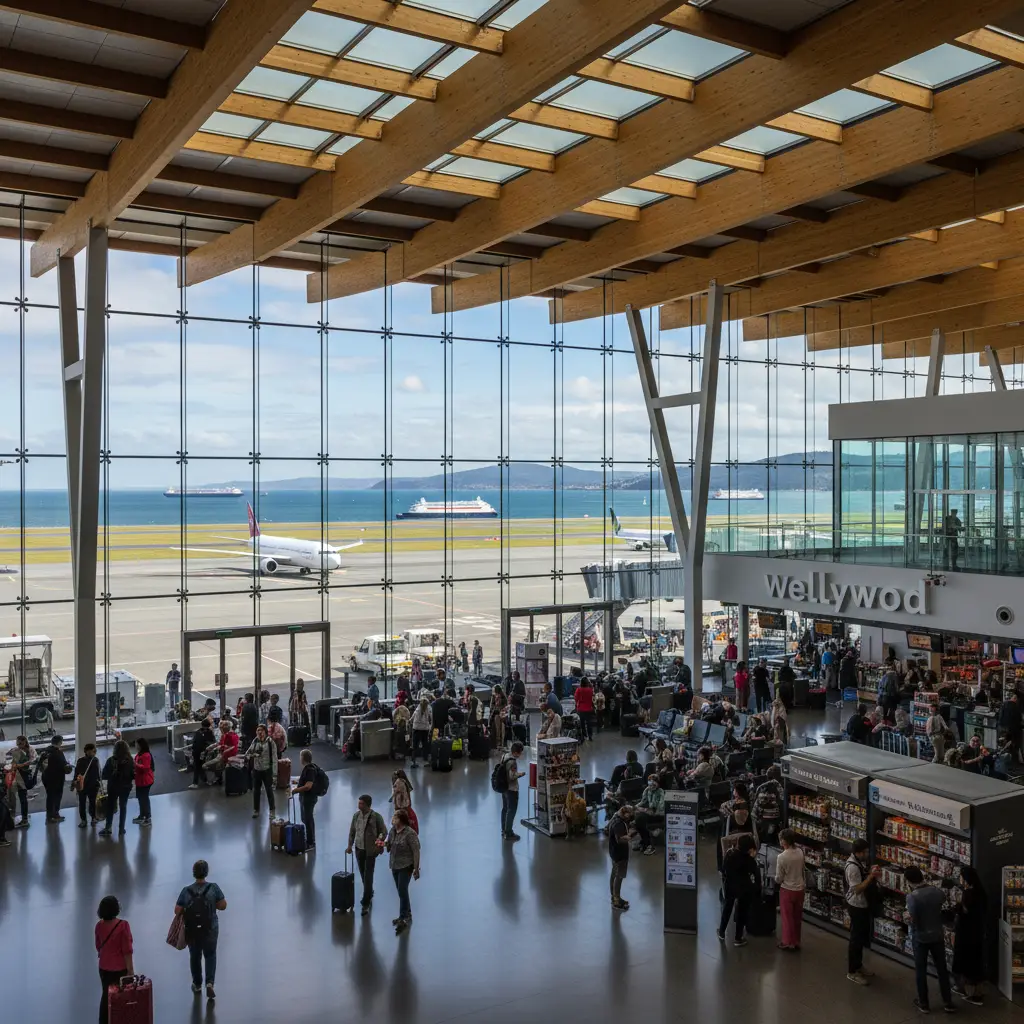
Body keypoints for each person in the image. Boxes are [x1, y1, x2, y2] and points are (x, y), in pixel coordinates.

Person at [174, 858, 227, 1001]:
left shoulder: (186, 891)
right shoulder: (213, 888)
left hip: (192, 930)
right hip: (210, 928)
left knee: (195, 956)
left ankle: (197, 984)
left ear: (193, 873)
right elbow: (223, 905)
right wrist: (211, 905)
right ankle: (209, 983)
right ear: (206, 873)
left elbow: (177, 910)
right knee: (210, 955)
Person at [904, 864, 955, 1013]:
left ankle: (924, 1003)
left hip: (920, 937)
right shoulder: (937, 892)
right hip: (937, 935)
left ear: (908, 881)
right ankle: (948, 1001)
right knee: (942, 970)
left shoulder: (912, 897)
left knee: (921, 970)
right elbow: (943, 905)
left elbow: (912, 919)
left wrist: (906, 916)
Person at [845, 838, 881, 984]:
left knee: (860, 939)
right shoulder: (852, 868)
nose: (867, 854)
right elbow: (857, 889)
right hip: (856, 905)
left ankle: (859, 966)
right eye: (865, 852)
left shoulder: (859, 862)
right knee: (855, 940)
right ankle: (852, 971)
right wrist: (871, 877)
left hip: (863, 905)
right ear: (858, 852)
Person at [95, 895, 134, 1024]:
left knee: (106, 995)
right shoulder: (123, 926)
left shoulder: (99, 926)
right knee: (120, 998)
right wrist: (131, 970)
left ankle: (104, 1020)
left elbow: (98, 946)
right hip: (120, 969)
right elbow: (127, 951)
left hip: (103, 967)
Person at [347, 794, 388, 917]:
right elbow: (352, 832)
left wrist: (378, 841)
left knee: (368, 875)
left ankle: (366, 902)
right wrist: (350, 845)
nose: (359, 805)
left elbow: (383, 831)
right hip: (359, 849)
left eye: (361, 804)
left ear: (368, 805)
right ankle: (369, 891)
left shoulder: (376, 817)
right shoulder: (356, 816)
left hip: (370, 851)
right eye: (359, 803)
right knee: (362, 873)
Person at [952, 865, 986, 1005]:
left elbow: (964, 912)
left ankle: (970, 993)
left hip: (966, 935)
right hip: (977, 934)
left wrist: (957, 907)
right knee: (975, 963)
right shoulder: (981, 892)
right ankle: (975, 991)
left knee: (966, 964)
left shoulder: (969, 894)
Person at [718, 832, 759, 946]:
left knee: (727, 908)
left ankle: (721, 932)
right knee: (742, 912)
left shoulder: (729, 854)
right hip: (744, 888)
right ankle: (738, 937)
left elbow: (724, 868)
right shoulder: (750, 861)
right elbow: (755, 875)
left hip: (730, 885)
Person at [384, 809, 420, 934]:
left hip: (406, 865)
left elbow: (416, 851)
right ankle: (407, 913)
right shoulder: (393, 831)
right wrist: (384, 845)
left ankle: (403, 917)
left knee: (402, 890)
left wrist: (416, 868)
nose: (393, 819)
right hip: (394, 865)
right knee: (401, 891)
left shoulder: (410, 833)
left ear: (402, 819)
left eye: (396, 817)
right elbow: (389, 846)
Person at [776, 828, 806, 950]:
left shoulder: (782, 857)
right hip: (800, 889)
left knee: (787, 917)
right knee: (797, 917)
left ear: (784, 841)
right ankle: (797, 941)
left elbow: (779, 878)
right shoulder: (800, 852)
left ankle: (788, 942)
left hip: (787, 890)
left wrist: (776, 880)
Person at [99, 740, 134, 837]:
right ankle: (121, 829)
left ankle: (108, 827)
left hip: (113, 787)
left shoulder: (111, 760)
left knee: (110, 807)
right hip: (126, 787)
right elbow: (133, 775)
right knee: (123, 807)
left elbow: (104, 775)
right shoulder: (130, 760)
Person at [245, 723, 277, 820]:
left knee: (269, 791)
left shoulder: (270, 743)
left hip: (267, 770)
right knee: (256, 791)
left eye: (261, 730)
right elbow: (247, 754)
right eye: (258, 730)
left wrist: (275, 774)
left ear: (265, 732)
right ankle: (256, 810)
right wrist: (252, 755)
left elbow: (275, 759)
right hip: (257, 770)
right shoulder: (255, 741)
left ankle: (272, 811)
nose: (259, 732)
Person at [608, 803, 635, 911]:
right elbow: (620, 839)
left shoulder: (615, 818)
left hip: (614, 852)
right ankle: (616, 901)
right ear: (625, 813)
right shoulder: (619, 824)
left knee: (614, 874)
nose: (631, 817)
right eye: (630, 814)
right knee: (619, 877)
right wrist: (630, 836)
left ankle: (614, 896)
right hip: (620, 854)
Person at [39, 734, 71, 822]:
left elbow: (40, 765)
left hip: (46, 777)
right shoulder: (58, 753)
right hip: (56, 779)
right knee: (56, 797)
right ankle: (54, 815)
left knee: (50, 796)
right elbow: (64, 767)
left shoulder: (45, 751)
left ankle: (50, 815)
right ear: (60, 742)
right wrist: (68, 766)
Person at [291, 748, 318, 850]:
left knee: (308, 819)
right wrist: (298, 781)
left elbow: (308, 786)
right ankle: (310, 839)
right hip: (305, 798)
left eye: (300, 756)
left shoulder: (310, 770)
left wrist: (296, 790)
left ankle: (311, 842)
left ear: (303, 758)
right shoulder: (308, 768)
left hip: (309, 798)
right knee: (305, 818)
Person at [6, 735, 34, 828]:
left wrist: (20, 765)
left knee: (23, 799)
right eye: (17, 743)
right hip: (14, 777)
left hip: (23, 778)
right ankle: (11, 817)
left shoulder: (30, 750)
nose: (19, 745)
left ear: (25, 742)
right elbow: (9, 759)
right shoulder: (15, 750)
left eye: (20, 743)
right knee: (11, 798)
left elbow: (32, 761)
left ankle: (24, 818)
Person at [500, 741, 525, 841]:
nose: (520, 755)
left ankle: (503, 829)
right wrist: (521, 774)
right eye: (520, 752)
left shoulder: (504, 756)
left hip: (504, 788)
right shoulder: (512, 762)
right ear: (516, 752)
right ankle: (509, 832)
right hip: (512, 789)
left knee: (505, 809)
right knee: (511, 810)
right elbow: (512, 776)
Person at [633, 774, 664, 855]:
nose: (652, 786)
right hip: (649, 812)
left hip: (658, 814)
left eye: (654, 783)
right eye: (650, 783)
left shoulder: (660, 791)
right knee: (637, 819)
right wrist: (635, 807)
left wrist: (647, 810)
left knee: (640, 819)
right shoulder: (647, 790)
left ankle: (649, 844)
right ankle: (645, 841)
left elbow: (660, 807)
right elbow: (643, 802)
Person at [752, 766, 783, 845]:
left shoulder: (763, 788)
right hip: (777, 822)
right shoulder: (782, 787)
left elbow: (756, 809)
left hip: (764, 822)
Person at [73, 742, 101, 828]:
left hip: (83, 786)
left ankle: (84, 820)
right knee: (91, 803)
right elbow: (98, 774)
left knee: (83, 803)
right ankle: (92, 818)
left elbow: (76, 773)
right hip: (91, 786)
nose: (91, 753)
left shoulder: (81, 760)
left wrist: (75, 782)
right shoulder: (95, 760)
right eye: (91, 751)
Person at [132, 737, 154, 827]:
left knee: (144, 799)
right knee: (141, 798)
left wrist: (135, 765)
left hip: (145, 781)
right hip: (140, 781)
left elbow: (145, 768)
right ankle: (142, 816)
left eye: (137, 744)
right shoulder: (139, 754)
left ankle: (148, 817)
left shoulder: (146, 755)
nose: (135, 746)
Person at [188, 718, 216, 789]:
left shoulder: (198, 732)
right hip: (203, 752)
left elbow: (194, 742)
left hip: (198, 751)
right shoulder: (209, 732)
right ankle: (205, 780)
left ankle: (195, 783)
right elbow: (212, 742)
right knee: (200, 766)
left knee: (197, 767)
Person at [999, 691, 1022, 762]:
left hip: (1002, 728)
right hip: (1013, 729)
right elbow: (1019, 719)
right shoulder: (1016, 707)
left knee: (1004, 743)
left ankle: (1003, 757)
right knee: (1014, 742)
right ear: (1015, 699)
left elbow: (1000, 716)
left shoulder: (1004, 704)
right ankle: (1013, 758)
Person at [410, 697, 432, 767]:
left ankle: (413, 762)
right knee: (425, 745)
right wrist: (430, 726)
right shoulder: (428, 708)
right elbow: (431, 718)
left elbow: (413, 716)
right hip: (425, 729)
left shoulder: (418, 708)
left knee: (415, 746)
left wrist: (410, 720)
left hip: (416, 728)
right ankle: (426, 761)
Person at [573, 676, 595, 742]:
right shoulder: (590, 690)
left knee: (582, 723)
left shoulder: (578, 690)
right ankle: (590, 736)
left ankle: (584, 736)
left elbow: (576, 698)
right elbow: (592, 697)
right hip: (588, 708)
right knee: (589, 723)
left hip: (581, 709)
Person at [489, 684, 507, 751]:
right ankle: (500, 743)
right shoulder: (496, 697)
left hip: (500, 714)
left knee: (500, 729)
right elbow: (492, 706)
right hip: (499, 714)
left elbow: (492, 707)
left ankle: (500, 743)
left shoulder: (500, 697)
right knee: (499, 729)